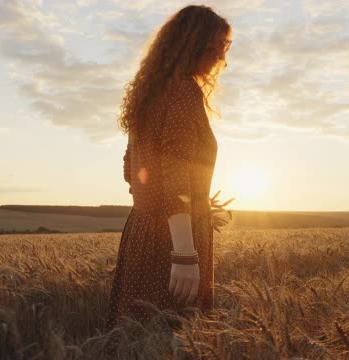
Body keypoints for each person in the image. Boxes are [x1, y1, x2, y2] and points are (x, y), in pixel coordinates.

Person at [104, 5, 232, 332]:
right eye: (213, 48)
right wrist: (185, 254)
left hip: (142, 232)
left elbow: (131, 173)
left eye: (223, 49)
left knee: (137, 338)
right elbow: (177, 177)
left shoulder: (149, 95)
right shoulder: (183, 91)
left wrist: (150, 205)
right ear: (190, 46)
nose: (220, 59)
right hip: (175, 240)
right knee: (175, 339)